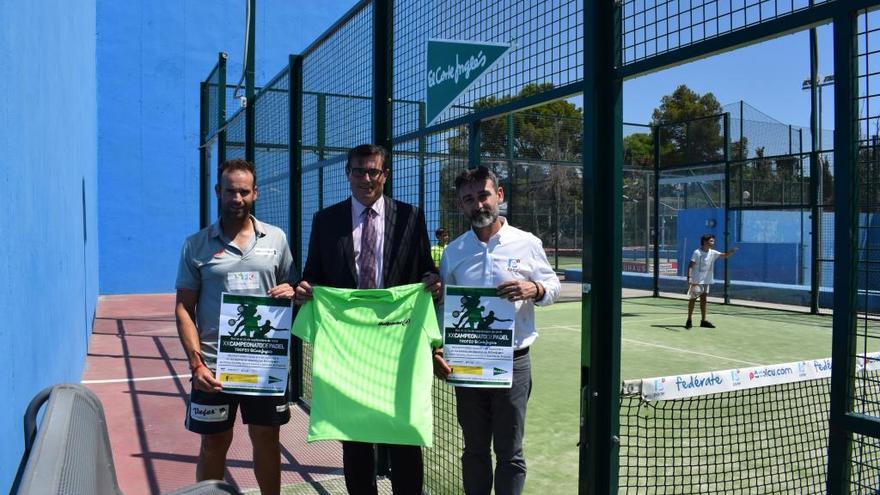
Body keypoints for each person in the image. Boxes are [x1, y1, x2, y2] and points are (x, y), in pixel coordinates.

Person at [293, 144, 441, 495]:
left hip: (397, 344)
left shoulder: (411, 216)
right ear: (347, 174)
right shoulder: (325, 221)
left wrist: (432, 281)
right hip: (351, 347)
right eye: (358, 171)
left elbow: (425, 268)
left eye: (373, 171)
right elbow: (313, 272)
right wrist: (306, 287)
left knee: (403, 433)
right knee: (355, 436)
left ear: (385, 176)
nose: (366, 178)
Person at [433, 166, 560, 495]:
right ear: (461, 205)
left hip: (514, 363)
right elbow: (445, 305)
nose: (478, 205)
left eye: (484, 195)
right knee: (474, 451)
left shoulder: (527, 243)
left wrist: (535, 289)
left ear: (499, 196)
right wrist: (437, 348)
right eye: (469, 199)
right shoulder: (454, 252)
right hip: (467, 363)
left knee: (510, 453)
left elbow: (553, 286)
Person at [175, 158, 295, 495]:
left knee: (268, 440)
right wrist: (196, 364)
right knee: (214, 443)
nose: (236, 198)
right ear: (218, 192)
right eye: (230, 191)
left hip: (264, 366)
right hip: (213, 367)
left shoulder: (277, 239)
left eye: (244, 191)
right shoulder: (195, 245)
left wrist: (292, 290)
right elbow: (184, 307)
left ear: (255, 194)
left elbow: (293, 286)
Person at [685, 233, 738, 329]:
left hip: (706, 280)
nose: (713, 242)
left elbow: (725, 255)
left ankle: (703, 321)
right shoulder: (697, 252)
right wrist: (689, 277)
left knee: (704, 300)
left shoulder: (712, 252)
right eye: (711, 241)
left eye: (713, 241)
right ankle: (689, 320)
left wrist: (731, 252)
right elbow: (690, 265)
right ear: (705, 242)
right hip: (697, 281)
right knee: (693, 299)